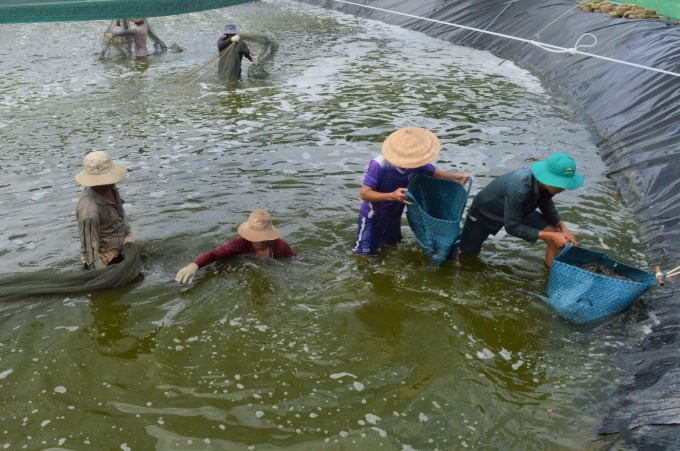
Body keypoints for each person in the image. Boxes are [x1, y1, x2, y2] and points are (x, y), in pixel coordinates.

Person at [354, 127, 468, 256]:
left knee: (391, 250)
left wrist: (455, 178)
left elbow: (434, 173)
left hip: (394, 216)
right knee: (364, 254)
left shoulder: (417, 163)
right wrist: (392, 196)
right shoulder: (379, 165)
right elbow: (364, 193)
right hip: (372, 217)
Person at [459, 152, 584, 267]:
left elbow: (546, 205)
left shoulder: (549, 185)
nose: (563, 188)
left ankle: (549, 276)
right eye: (559, 184)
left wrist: (563, 228)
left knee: (557, 233)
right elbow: (512, 227)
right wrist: (549, 236)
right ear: (547, 177)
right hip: (484, 213)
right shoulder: (519, 187)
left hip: (521, 209)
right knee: (467, 254)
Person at [175, 209, 296, 283]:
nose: (259, 240)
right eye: (256, 236)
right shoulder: (239, 244)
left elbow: (295, 258)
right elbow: (215, 254)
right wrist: (193, 266)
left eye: (263, 236)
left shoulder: (280, 246)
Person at [75, 151, 134, 270]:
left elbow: (120, 213)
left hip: (121, 248)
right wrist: (103, 276)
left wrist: (129, 234)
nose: (114, 180)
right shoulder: (89, 211)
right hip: (105, 262)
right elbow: (90, 253)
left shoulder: (110, 187)